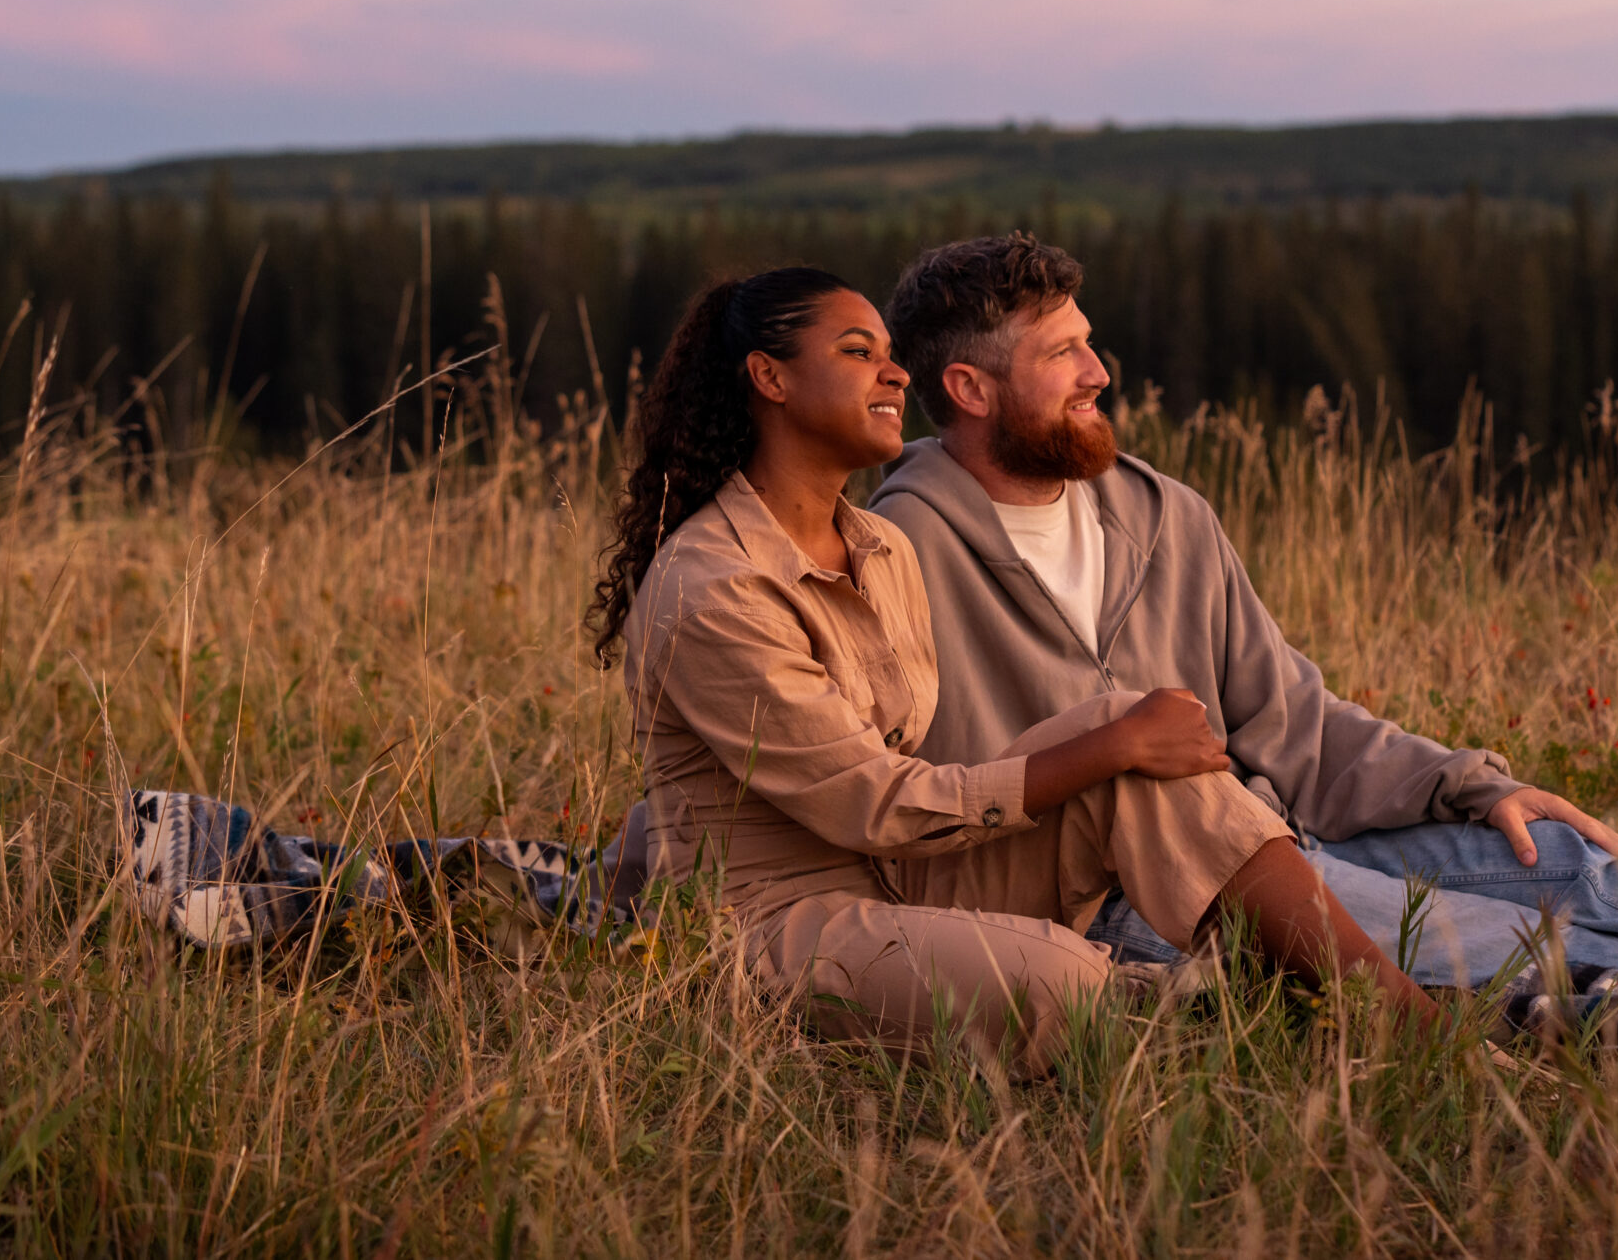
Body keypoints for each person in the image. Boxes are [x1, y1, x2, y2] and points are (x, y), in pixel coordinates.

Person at [868, 233, 1618, 1024]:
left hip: (1274, 833)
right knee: (1484, 933)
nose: (1102, 367)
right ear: (967, 390)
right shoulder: (899, 549)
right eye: (1063, 352)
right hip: (1135, 899)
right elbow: (866, 784)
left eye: (1091, 338)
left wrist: (1466, 785)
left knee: (1551, 861)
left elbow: (1288, 718)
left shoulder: (1157, 512)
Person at [588, 267, 1450, 1076]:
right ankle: (1255, 1030)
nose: (893, 375)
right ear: (768, 379)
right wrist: (1108, 744)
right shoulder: (713, 587)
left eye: (891, 354)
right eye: (858, 353)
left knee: (1141, 757)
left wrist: (1119, 742)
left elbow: (919, 755)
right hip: (783, 925)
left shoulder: (879, 546)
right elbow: (874, 801)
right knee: (1062, 983)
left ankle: (1398, 1018)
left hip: (905, 879)